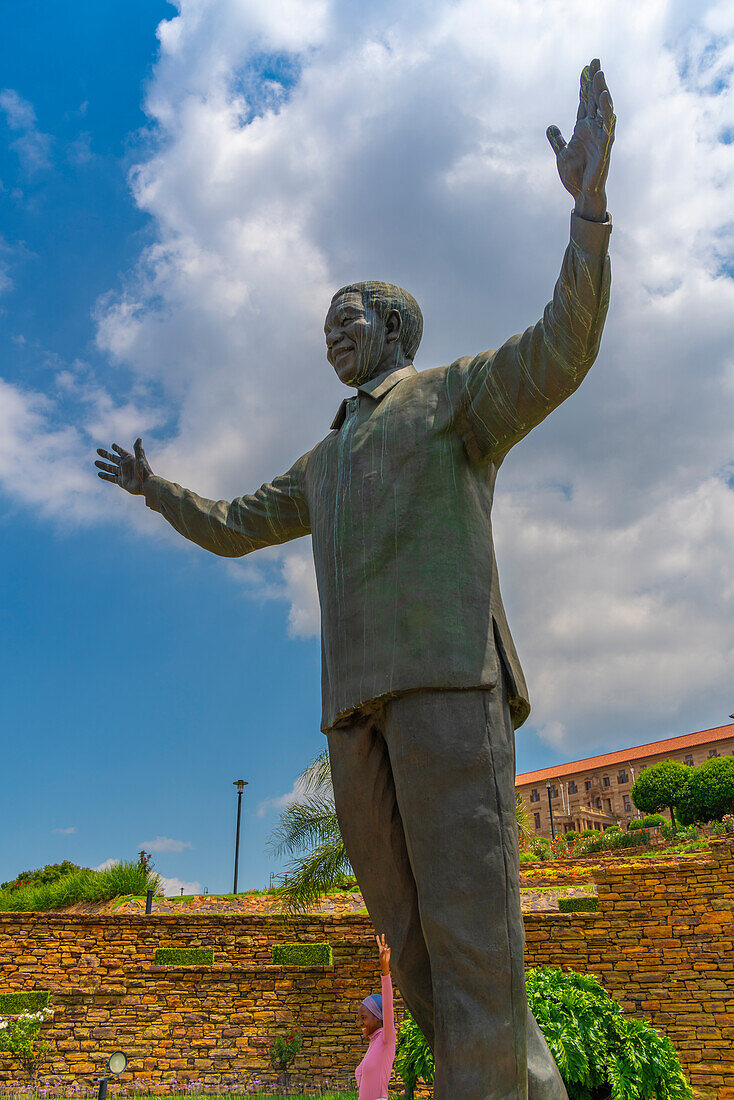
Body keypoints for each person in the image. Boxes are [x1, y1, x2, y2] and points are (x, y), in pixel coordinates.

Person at [95, 59, 614, 1100]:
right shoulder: (322, 460)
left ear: (394, 329)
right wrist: (158, 492)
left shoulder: (449, 398)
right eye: (326, 320)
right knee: (415, 947)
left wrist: (588, 212)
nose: (332, 331)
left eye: (350, 316)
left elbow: (562, 346)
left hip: (443, 684)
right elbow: (237, 525)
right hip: (352, 711)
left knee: (472, 931)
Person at [356, 934, 395, 1100]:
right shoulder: (373, 1042)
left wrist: (385, 970)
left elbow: (387, 1005)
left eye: (364, 1018)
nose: (360, 1023)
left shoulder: (387, 1040)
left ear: (378, 1018)